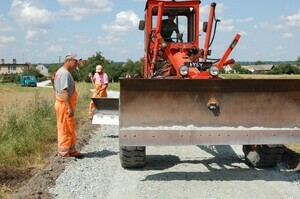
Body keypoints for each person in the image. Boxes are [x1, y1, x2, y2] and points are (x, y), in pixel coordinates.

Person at [54, 52, 83, 159]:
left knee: (70, 127)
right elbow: (64, 92)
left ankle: (71, 150)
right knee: (65, 129)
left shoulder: (63, 72)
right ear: (69, 61)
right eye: (75, 61)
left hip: (64, 105)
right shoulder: (64, 73)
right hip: (64, 106)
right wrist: (69, 107)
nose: (77, 64)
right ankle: (64, 153)